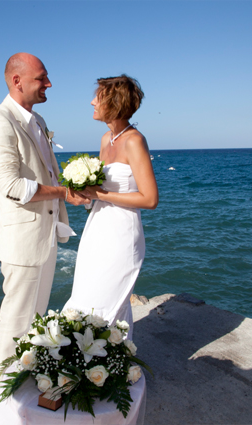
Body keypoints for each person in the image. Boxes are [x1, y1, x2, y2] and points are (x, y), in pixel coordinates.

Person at [0, 52, 89, 387]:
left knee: (36, 315)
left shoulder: (37, 121)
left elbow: (47, 170)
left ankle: (28, 375)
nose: (49, 84)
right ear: (17, 81)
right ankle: (6, 389)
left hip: (44, 235)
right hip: (22, 240)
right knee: (16, 317)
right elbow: (11, 186)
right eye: (42, 78)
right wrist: (62, 192)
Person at [63, 75, 158, 340]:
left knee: (107, 298)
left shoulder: (134, 141)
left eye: (99, 97)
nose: (92, 101)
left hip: (122, 233)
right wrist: (85, 193)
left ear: (114, 103)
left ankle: (106, 364)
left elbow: (150, 199)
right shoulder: (107, 139)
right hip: (97, 227)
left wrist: (100, 194)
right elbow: (101, 190)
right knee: (86, 293)